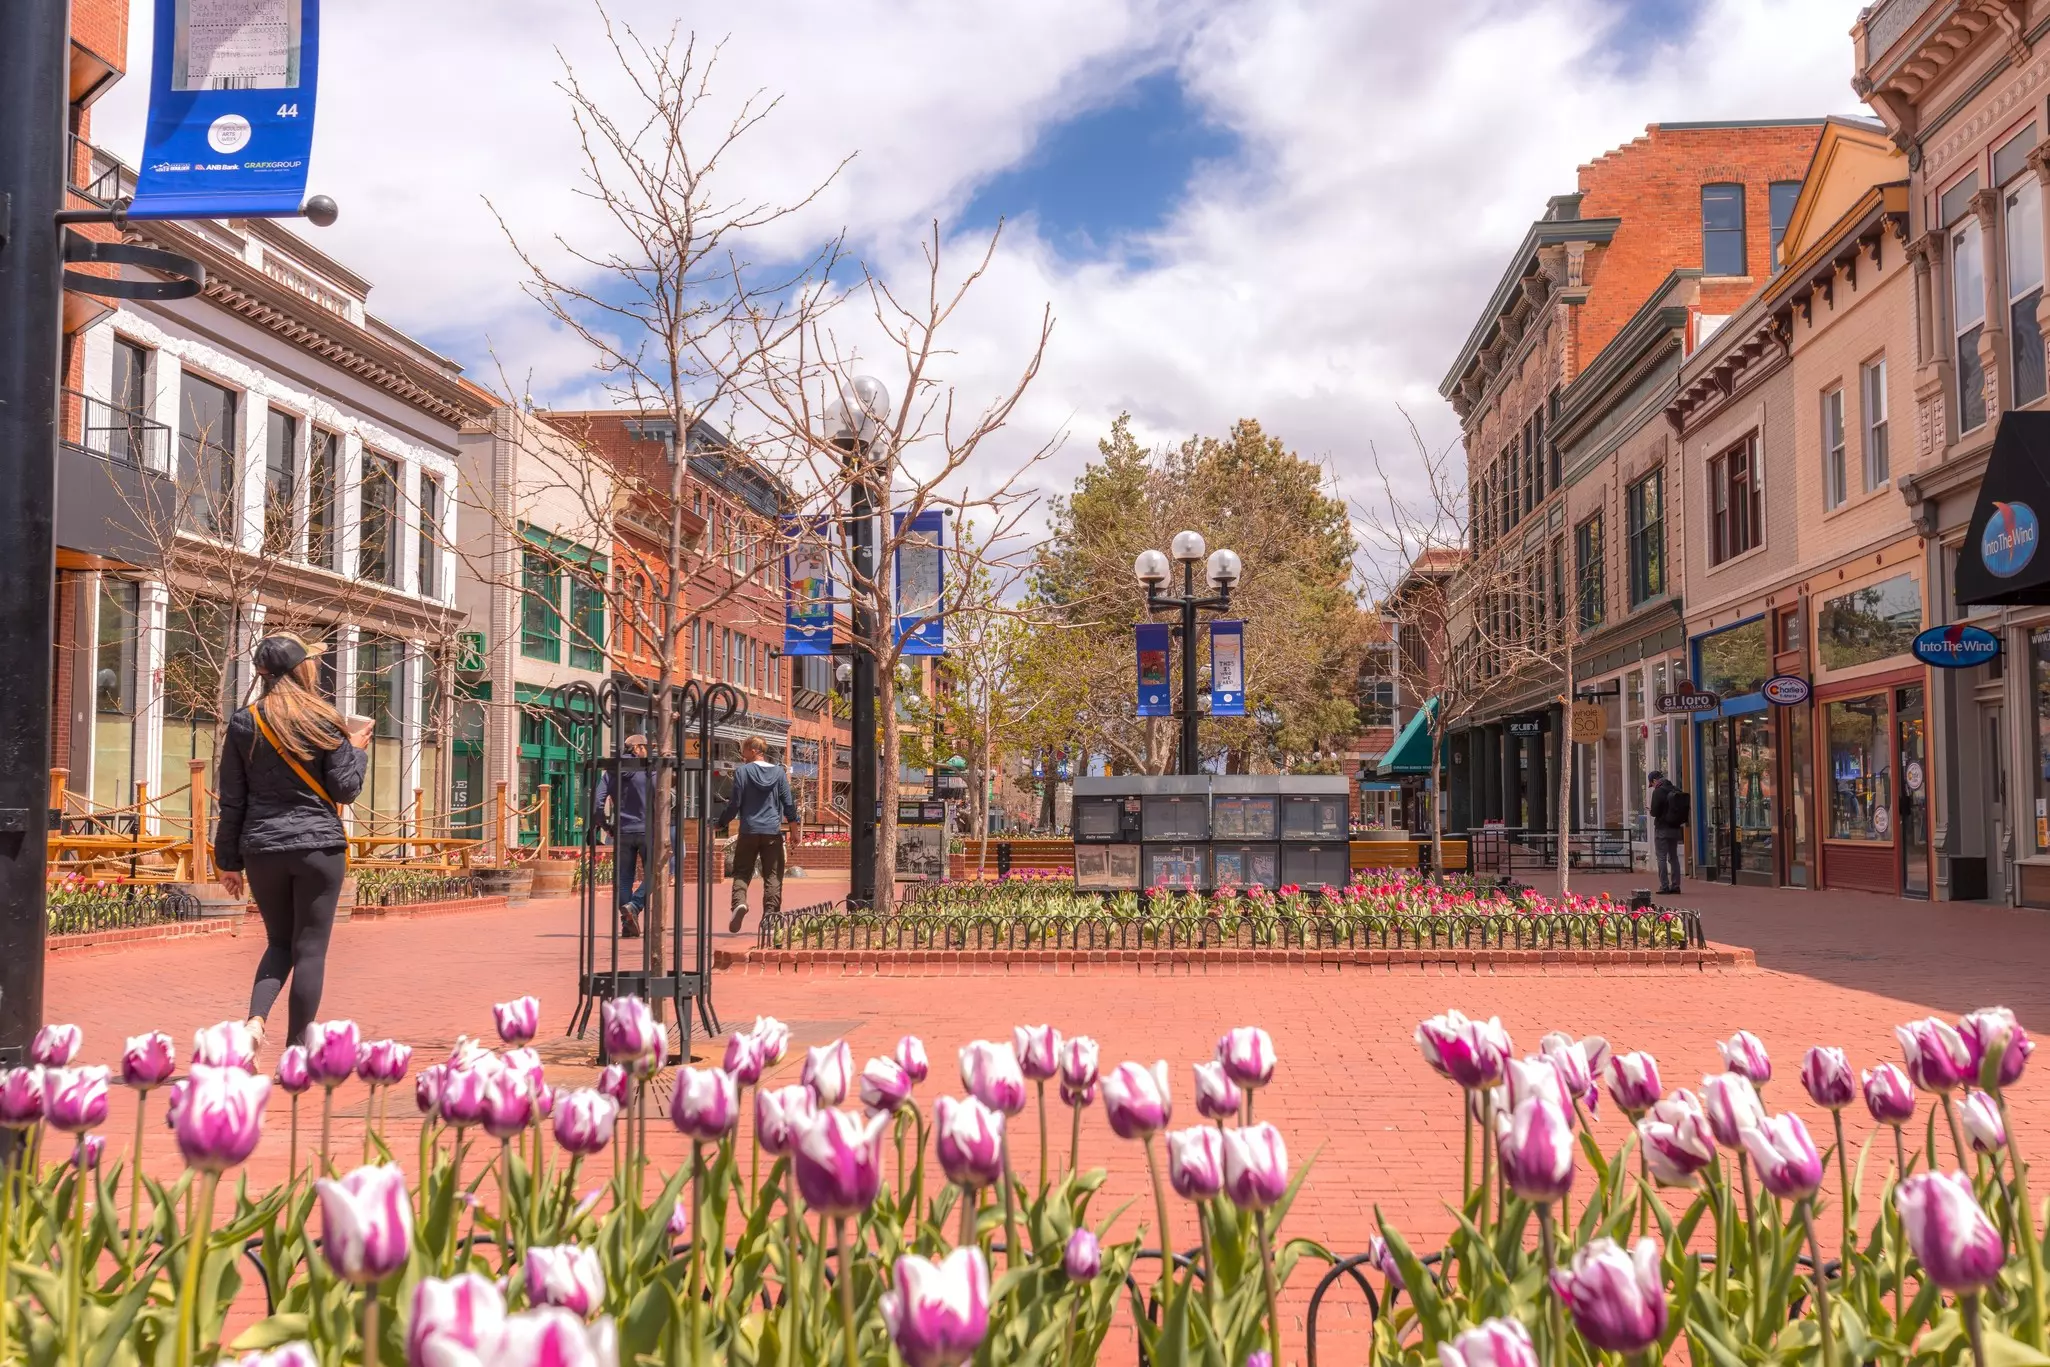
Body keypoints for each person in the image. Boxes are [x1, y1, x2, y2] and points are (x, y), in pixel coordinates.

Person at [214, 634, 370, 1053]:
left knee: (279, 942)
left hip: (263, 849)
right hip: (319, 847)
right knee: (311, 950)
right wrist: (356, 749)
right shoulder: (325, 719)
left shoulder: (245, 722)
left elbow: (232, 798)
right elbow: (345, 789)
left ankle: (254, 1023)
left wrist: (226, 861)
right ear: (304, 669)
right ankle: (297, 1052)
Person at [718, 736, 798, 933]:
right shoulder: (779, 773)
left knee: (742, 871)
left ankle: (739, 903)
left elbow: (734, 804)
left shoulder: (743, 772)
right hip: (772, 831)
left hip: (749, 831)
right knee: (772, 875)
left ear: (753, 750)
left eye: (744, 749)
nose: (742, 752)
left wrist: (720, 823)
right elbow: (788, 804)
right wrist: (794, 831)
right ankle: (770, 919)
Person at [592, 732, 650, 938]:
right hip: (647, 829)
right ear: (636, 748)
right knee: (656, 873)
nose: (648, 750)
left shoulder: (611, 771)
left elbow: (598, 802)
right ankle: (634, 906)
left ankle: (627, 925)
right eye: (645, 746)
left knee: (624, 878)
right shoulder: (647, 769)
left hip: (623, 830)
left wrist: (606, 825)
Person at [1647, 770, 1689, 895]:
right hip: (1675, 828)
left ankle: (1664, 886)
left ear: (1654, 781)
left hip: (1662, 829)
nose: (1653, 786)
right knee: (1674, 857)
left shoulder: (1658, 791)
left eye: (1652, 784)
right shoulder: (1675, 789)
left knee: (1661, 858)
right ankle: (1676, 885)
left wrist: (1651, 810)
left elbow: (1655, 812)